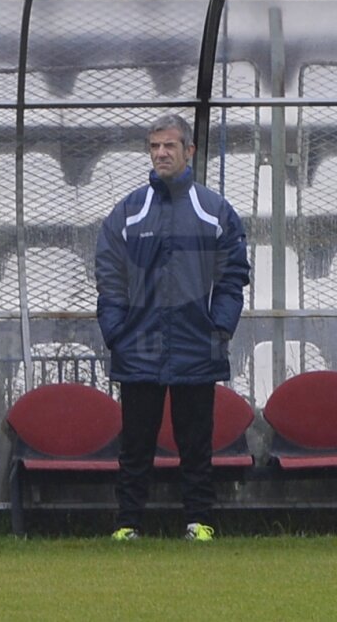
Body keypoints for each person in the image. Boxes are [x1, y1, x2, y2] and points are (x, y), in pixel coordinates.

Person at [94, 114, 250, 542]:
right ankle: (128, 523)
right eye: (154, 147)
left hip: (197, 345)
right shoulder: (128, 210)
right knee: (136, 444)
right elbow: (108, 275)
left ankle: (199, 521)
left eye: (169, 146)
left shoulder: (214, 210)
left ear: (189, 152)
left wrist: (218, 328)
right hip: (138, 346)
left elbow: (233, 276)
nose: (161, 153)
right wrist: (117, 332)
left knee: (196, 443)